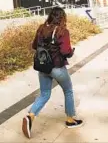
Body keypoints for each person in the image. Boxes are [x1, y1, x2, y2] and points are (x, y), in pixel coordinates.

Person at [22, 7, 83, 139]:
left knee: (44, 94)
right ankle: (70, 120)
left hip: (43, 67)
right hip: (57, 68)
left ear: (50, 16)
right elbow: (65, 51)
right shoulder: (62, 31)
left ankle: (30, 116)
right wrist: (71, 52)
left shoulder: (41, 28)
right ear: (62, 18)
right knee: (68, 91)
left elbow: (34, 46)